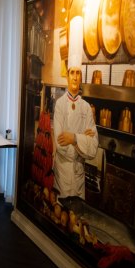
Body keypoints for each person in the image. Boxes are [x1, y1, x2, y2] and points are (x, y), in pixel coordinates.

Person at [53, 60, 98, 199]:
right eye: (72, 72)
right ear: (67, 76)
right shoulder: (59, 105)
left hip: (79, 175)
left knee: (78, 218)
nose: (75, 76)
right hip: (62, 174)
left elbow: (93, 148)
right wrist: (83, 139)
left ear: (81, 78)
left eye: (78, 73)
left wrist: (74, 138)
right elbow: (60, 144)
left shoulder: (86, 108)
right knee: (60, 215)